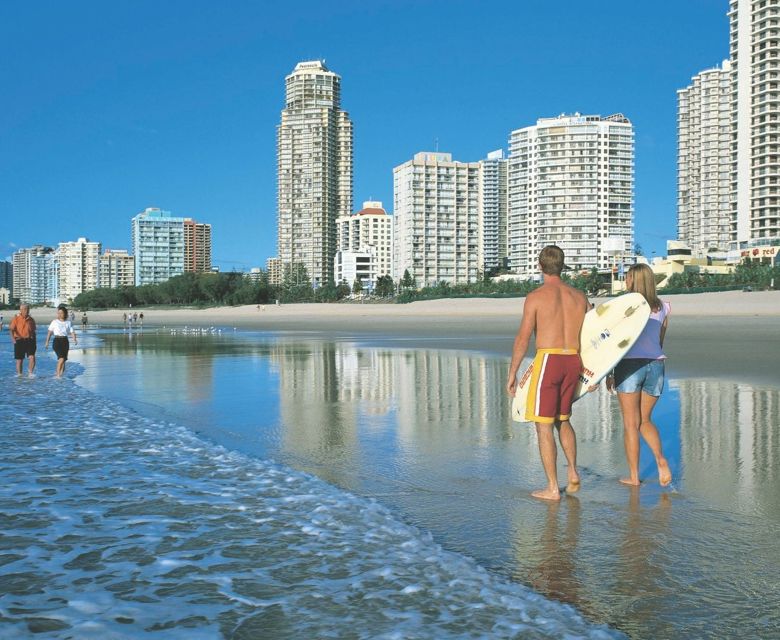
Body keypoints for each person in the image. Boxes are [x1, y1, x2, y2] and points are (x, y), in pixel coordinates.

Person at [507, 246, 589, 501]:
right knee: (562, 419)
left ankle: (552, 488)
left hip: (549, 360)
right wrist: (594, 373)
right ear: (562, 266)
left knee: (543, 426)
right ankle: (573, 471)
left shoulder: (536, 297)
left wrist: (513, 373)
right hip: (574, 361)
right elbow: (593, 336)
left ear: (540, 266)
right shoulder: (580, 297)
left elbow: (523, 338)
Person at [606, 263, 672, 487]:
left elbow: (616, 343)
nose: (625, 281)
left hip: (630, 365)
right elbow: (660, 341)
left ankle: (634, 477)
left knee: (630, 424)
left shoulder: (626, 307)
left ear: (635, 280)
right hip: (656, 365)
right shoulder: (664, 307)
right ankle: (660, 460)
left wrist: (609, 372)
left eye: (628, 277)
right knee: (645, 420)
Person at [45, 305, 78, 378]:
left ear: (65, 314)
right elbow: (50, 332)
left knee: (64, 360)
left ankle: (61, 376)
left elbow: (72, 332)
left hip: (65, 341)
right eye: (58, 313)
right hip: (57, 341)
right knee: (61, 358)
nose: (60, 314)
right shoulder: (54, 322)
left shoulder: (68, 322)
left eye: (61, 313)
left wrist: (74, 339)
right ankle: (57, 375)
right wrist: (47, 342)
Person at [9, 303, 37, 377]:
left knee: (32, 357)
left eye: (27, 309)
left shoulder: (31, 319)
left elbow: (33, 331)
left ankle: (30, 374)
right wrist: (13, 340)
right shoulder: (16, 319)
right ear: (20, 310)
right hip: (19, 340)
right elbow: (11, 330)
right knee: (19, 360)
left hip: (30, 340)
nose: (26, 310)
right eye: (24, 309)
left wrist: (34, 341)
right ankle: (20, 375)